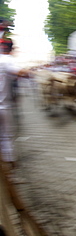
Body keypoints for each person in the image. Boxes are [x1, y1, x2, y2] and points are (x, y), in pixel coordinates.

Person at [0, 39, 28, 170]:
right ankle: (10, 164)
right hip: (4, 106)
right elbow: (21, 72)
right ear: (11, 49)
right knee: (7, 136)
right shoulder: (7, 60)